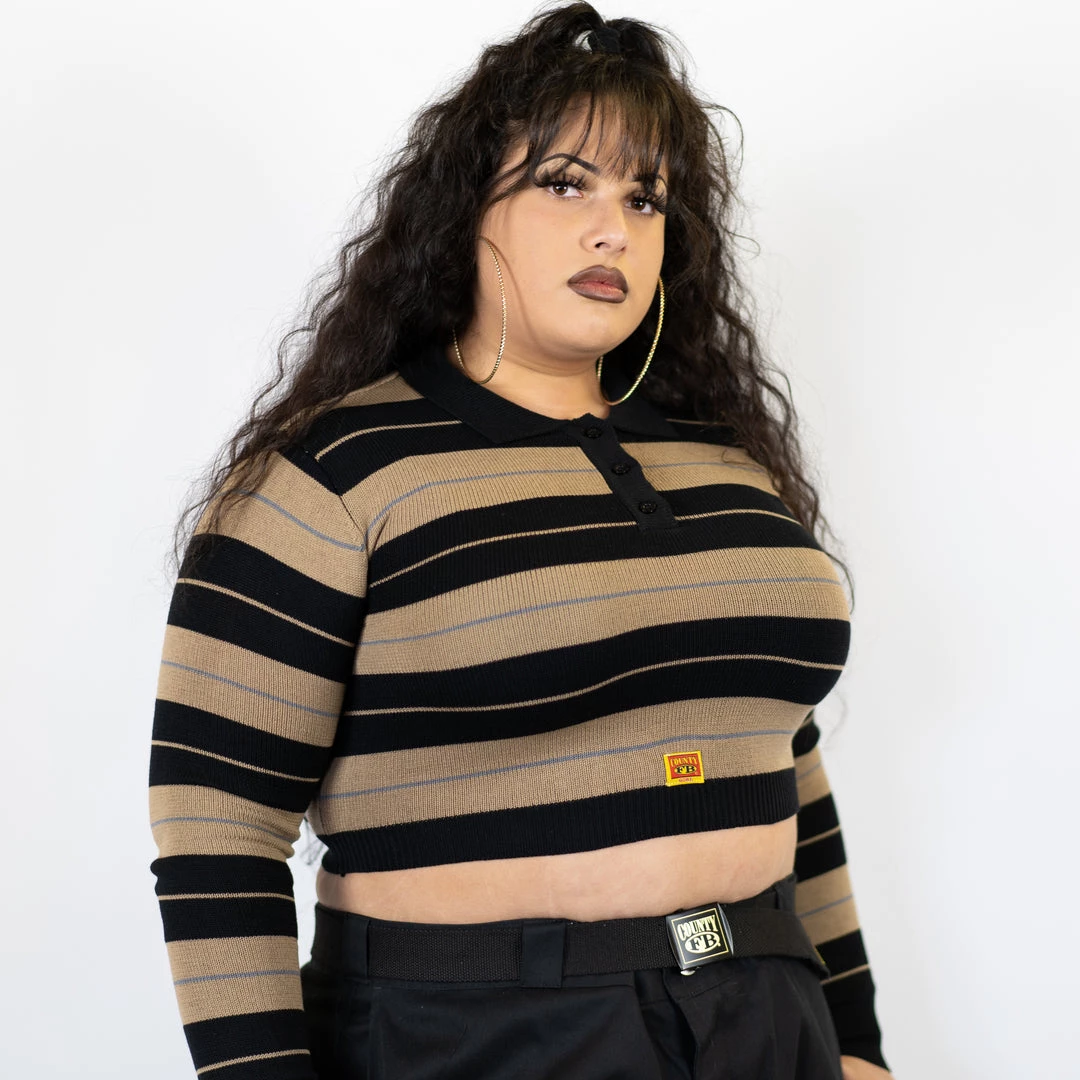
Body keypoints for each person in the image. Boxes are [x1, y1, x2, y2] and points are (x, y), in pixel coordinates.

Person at [148, 3, 893, 1077]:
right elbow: (217, 825)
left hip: (767, 1018)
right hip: (475, 1034)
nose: (613, 229)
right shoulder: (336, 475)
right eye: (565, 183)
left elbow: (783, 753)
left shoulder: (727, 465)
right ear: (465, 209)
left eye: (645, 198)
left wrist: (857, 1042)